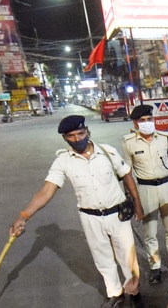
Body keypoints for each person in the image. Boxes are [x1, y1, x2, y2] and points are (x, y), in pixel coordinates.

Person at [9, 115, 145, 308]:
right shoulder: (63, 161)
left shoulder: (107, 152)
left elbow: (126, 175)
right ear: (64, 138)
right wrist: (24, 216)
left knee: (128, 258)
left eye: (80, 133)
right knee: (102, 258)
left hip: (118, 215)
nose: (77, 139)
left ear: (87, 132)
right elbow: (47, 190)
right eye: (71, 136)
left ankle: (134, 291)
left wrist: (137, 203)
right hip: (90, 217)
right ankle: (116, 294)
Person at [121, 105, 168, 285]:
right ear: (135, 123)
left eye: (149, 119)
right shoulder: (128, 142)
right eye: (142, 121)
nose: (146, 123)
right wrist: (132, 200)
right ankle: (155, 267)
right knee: (149, 232)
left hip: (166, 187)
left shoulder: (165, 138)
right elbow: (126, 173)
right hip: (145, 190)